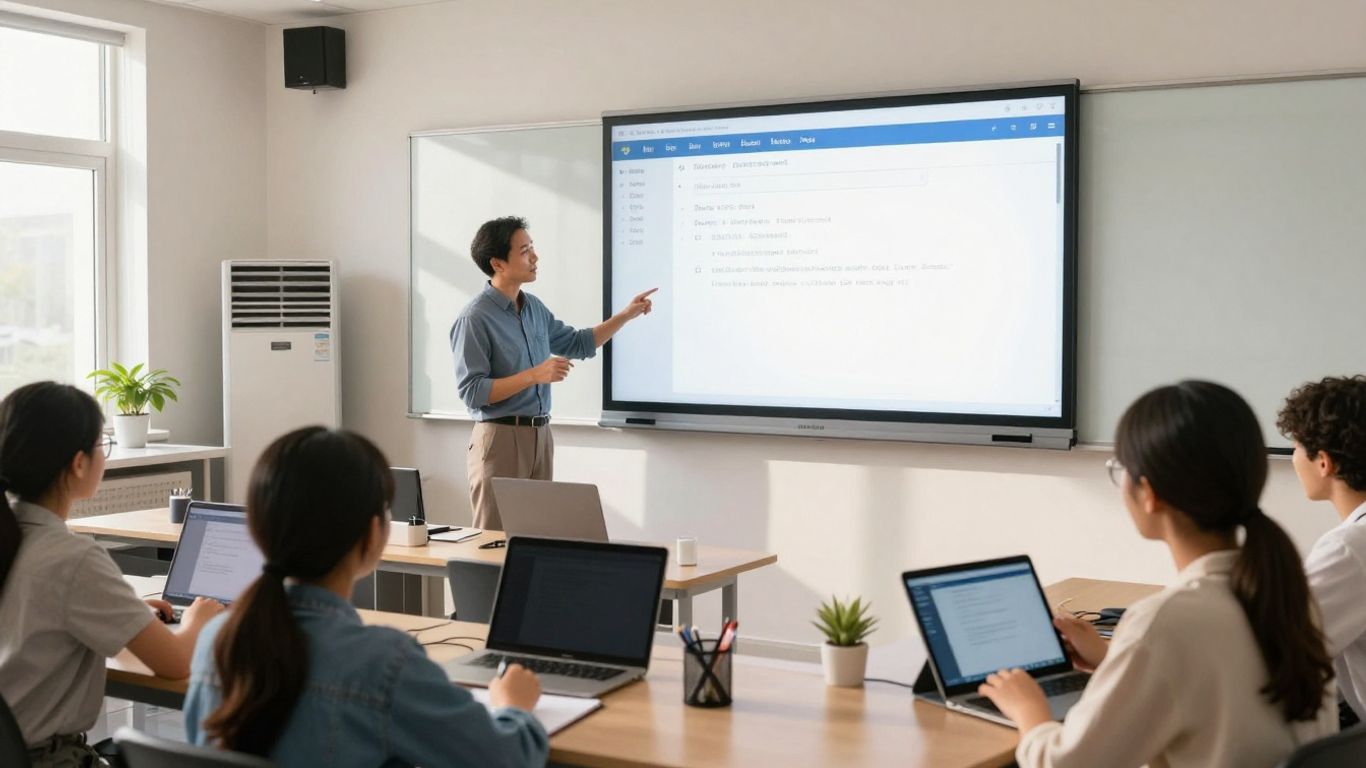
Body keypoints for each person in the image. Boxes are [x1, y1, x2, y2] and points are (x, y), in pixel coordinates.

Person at [979, 380, 1336, 767]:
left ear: (1149, 493)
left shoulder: (1166, 623)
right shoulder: (1286, 595)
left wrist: (1029, 711)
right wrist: (1115, 658)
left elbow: (1066, 764)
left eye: (1121, 469)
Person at [184, 426, 548, 767]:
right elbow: (509, 759)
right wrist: (514, 706)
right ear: (375, 533)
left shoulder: (216, 641)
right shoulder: (384, 662)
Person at [0, 382, 223, 767]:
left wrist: (128, 611)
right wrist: (200, 619)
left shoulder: (12, 536)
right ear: (79, 463)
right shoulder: (73, 558)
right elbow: (175, 664)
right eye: (102, 444)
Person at [450, 216, 656, 530]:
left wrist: (626, 315)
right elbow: (473, 392)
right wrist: (534, 375)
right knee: (492, 544)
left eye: (532, 248)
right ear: (498, 263)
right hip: (500, 438)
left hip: (540, 436)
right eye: (524, 251)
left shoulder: (533, 307)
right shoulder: (475, 318)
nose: (535, 257)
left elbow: (579, 343)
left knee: (534, 539)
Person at [1278, 374, 1366, 727]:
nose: (1294, 457)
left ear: (1324, 462)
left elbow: (1275, 653)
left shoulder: (1351, 549)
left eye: (1297, 446)